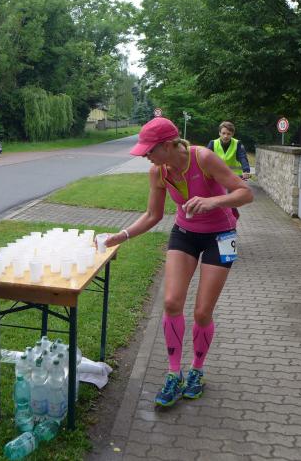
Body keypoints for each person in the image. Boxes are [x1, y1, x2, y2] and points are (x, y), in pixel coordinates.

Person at [104, 117, 253, 407]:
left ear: (169, 145)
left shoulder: (203, 158)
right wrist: (122, 235)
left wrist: (213, 201)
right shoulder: (158, 172)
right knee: (172, 302)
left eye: (150, 150)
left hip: (221, 236)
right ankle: (174, 373)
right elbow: (153, 215)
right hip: (184, 234)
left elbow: (245, 194)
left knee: (202, 312)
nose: (146, 155)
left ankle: (197, 370)